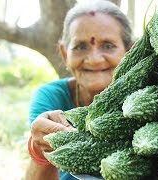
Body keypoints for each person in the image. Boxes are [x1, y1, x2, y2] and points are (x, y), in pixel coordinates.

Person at [25, 0, 133, 179]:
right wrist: (38, 151)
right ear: (64, 53)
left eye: (108, 45)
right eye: (81, 47)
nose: (94, 59)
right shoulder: (51, 97)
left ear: (129, 51)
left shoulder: (152, 99)